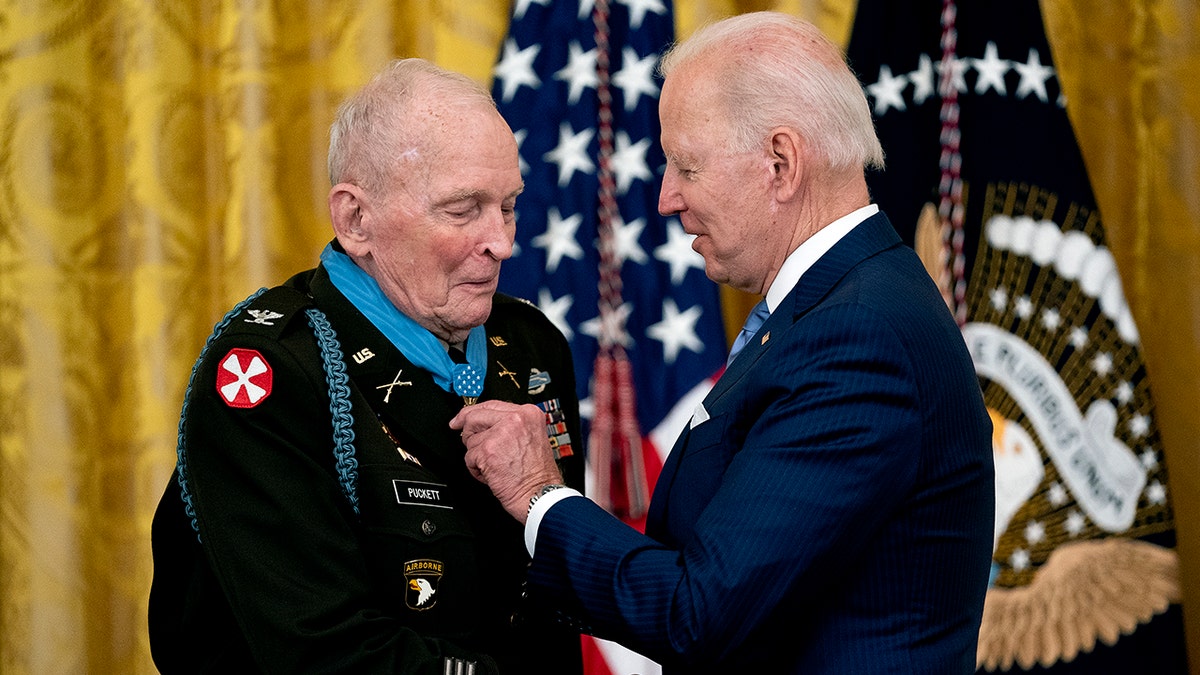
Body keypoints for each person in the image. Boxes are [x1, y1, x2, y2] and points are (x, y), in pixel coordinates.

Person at [452, 12, 995, 674]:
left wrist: (540, 494)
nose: (665, 198)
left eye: (686, 165)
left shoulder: (857, 336)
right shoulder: (832, 304)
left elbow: (699, 611)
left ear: (781, 163)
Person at [148, 58, 584, 674]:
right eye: (463, 211)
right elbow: (322, 653)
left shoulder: (533, 345)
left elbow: (550, 609)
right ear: (356, 221)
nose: (502, 241)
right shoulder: (270, 372)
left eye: (508, 205)